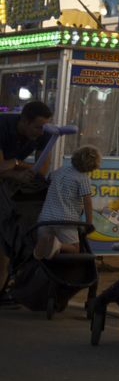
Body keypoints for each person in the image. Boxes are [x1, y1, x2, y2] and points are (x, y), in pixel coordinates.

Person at [0, 101, 52, 301]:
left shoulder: (44, 132)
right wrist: (18, 167)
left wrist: (13, 166)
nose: (41, 132)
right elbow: (2, 168)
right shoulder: (3, 126)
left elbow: (40, 171)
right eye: (37, 127)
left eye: (44, 127)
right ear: (24, 121)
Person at [34, 146, 98, 260]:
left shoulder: (59, 171)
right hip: (65, 221)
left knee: (46, 253)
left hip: (45, 219)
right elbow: (87, 202)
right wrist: (89, 223)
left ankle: (46, 249)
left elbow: (48, 180)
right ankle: (58, 245)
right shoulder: (83, 178)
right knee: (75, 248)